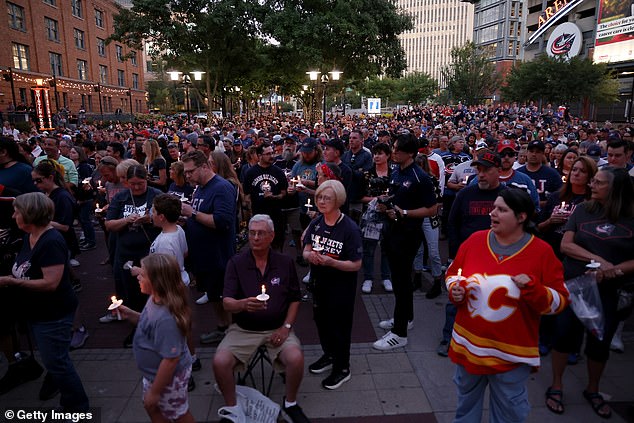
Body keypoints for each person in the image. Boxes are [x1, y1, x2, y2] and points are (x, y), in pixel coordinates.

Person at [446, 188, 568, 423]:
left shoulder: (541, 252)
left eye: (502, 210)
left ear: (521, 217)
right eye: (494, 208)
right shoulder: (475, 240)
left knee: (508, 414)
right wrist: (455, 290)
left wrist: (533, 289)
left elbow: (559, 302)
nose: (493, 213)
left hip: (512, 355)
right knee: (465, 409)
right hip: (469, 347)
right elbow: (453, 274)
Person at [545, 166, 634, 419]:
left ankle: (593, 389)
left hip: (610, 291)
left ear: (615, 189)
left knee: (599, 343)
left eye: (598, 182)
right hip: (575, 286)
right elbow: (567, 245)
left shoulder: (630, 218)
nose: (591, 184)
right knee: (563, 336)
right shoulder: (582, 210)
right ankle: (557, 384)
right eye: (592, 180)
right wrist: (599, 261)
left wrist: (614, 270)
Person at [213, 215, 309, 423]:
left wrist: (286, 327)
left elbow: (294, 299)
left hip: (277, 328)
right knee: (220, 362)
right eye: (252, 233)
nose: (255, 238)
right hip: (244, 329)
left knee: (296, 358)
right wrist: (242, 304)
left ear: (272, 236)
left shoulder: (285, 263)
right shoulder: (236, 263)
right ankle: (233, 408)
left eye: (261, 233)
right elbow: (227, 302)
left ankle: (290, 404)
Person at [0, 192, 89, 412]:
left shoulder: (50, 242)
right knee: (55, 361)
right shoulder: (30, 236)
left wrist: (13, 281)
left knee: (57, 363)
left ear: (30, 214)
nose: (13, 217)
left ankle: (77, 407)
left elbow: (51, 283)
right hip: (40, 313)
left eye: (17, 212)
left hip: (53, 315)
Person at [373, 133, 437, 351]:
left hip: (407, 235)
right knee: (401, 281)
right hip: (392, 231)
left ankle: (399, 333)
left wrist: (405, 212)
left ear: (410, 152)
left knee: (401, 281)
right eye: (394, 148)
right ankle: (405, 318)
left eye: (398, 149)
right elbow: (395, 196)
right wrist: (386, 204)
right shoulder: (396, 172)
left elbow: (432, 209)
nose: (393, 152)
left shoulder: (420, 177)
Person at [118, 254, 194, 423]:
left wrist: (155, 391)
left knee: (177, 413)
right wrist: (130, 314)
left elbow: (171, 359)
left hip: (169, 378)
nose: (138, 276)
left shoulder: (166, 318)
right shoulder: (155, 299)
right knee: (154, 408)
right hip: (155, 375)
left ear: (157, 281)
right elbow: (148, 323)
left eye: (143, 275)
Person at [303, 180, 362, 390]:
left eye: (327, 198)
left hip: (341, 288)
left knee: (339, 327)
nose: (321, 201)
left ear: (338, 201)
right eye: (319, 197)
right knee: (321, 321)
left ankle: (342, 367)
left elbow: (356, 264)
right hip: (319, 283)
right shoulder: (316, 223)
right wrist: (311, 256)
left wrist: (332, 262)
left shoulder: (349, 229)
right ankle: (329, 354)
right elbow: (306, 249)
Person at [180, 151, 236, 344]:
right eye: (185, 173)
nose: (187, 176)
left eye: (190, 171)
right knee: (213, 295)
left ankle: (232, 333)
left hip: (217, 255)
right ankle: (222, 327)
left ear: (204, 166)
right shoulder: (201, 188)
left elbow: (222, 221)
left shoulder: (221, 187)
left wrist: (192, 213)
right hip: (202, 254)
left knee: (222, 295)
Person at [105, 165, 162, 346]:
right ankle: (138, 329)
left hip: (149, 252)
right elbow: (109, 224)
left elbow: (169, 218)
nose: (136, 188)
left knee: (153, 292)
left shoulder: (156, 195)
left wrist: (150, 219)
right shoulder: (121, 197)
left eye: (141, 184)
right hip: (126, 252)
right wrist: (125, 220)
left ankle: (156, 328)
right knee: (131, 293)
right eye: (133, 184)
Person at [360, 143, 393, 294]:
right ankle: (368, 278)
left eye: (380, 153)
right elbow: (360, 196)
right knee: (369, 248)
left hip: (390, 215)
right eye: (375, 154)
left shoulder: (395, 173)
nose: (377, 157)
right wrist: (376, 198)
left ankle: (386, 277)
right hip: (371, 216)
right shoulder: (367, 174)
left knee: (387, 247)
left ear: (388, 155)